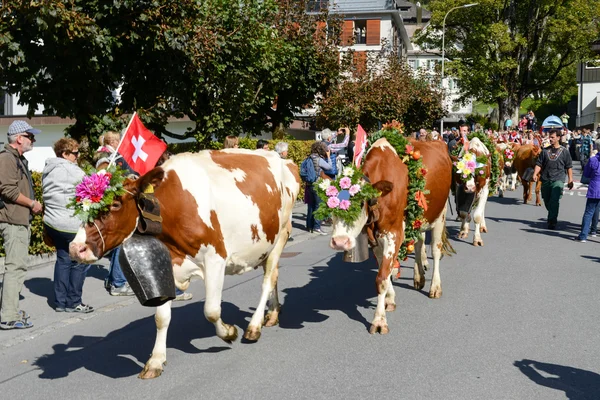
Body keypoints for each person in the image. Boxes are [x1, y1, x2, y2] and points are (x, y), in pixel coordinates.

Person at [0, 121, 43, 330]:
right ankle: (8, 316)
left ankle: (12, 310)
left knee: (18, 266)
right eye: (30, 136)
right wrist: (32, 203)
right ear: (19, 138)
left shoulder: (16, 158)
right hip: (12, 220)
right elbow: (7, 190)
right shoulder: (7, 158)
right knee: (15, 267)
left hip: (17, 219)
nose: (33, 140)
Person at [42, 138, 93, 313]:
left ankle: (60, 302)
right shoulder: (74, 171)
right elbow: (92, 189)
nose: (77, 157)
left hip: (52, 223)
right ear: (64, 154)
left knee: (63, 260)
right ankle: (74, 302)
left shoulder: (48, 169)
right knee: (79, 261)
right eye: (75, 153)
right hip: (70, 224)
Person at [533, 130, 574, 230]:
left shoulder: (565, 152)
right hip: (546, 179)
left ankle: (552, 221)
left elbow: (569, 167)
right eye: (549, 137)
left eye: (552, 137)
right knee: (547, 200)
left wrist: (570, 180)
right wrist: (535, 173)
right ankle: (552, 214)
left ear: (558, 138)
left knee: (554, 200)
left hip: (558, 179)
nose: (550, 139)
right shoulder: (545, 151)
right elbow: (539, 164)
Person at [305, 141, 332, 235]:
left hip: (309, 184)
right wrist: (328, 157)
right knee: (319, 206)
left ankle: (309, 226)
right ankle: (317, 227)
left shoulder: (308, 158)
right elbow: (329, 167)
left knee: (311, 206)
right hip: (317, 185)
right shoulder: (318, 159)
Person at [574, 150, 600, 242]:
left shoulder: (593, 160)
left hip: (595, 187)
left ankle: (583, 235)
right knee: (596, 210)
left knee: (589, 212)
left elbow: (586, 174)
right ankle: (594, 230)